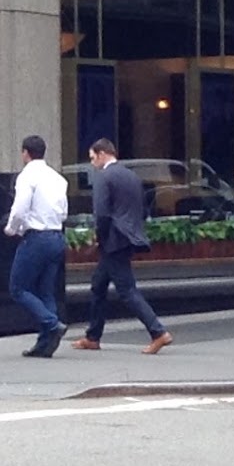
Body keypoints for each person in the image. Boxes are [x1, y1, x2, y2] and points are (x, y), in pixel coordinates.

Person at [71, 139, 172, 355]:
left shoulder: (103, 177)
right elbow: (142, 209)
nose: (92, 163)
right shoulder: (131, 176)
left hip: (112, 241)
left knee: (127, 290)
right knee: (98, 285)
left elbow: (102, 213)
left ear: (101, 154)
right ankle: (93, 336)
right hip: (128, 238)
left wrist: (99, 237)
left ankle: (158, 332)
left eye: (92, 158)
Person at [5, 134, 68, 358]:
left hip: (36, 237)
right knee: (46, 291)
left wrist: (12, 228)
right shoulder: (58, 178)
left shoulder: (27, 176)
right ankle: (45, 343)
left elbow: (20, 208)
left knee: (18, 288)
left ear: (25, 153)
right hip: (56, 236)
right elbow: (63, 211)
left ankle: (52, 324)